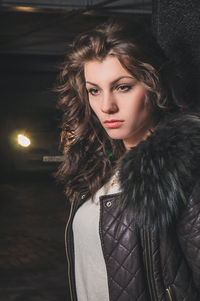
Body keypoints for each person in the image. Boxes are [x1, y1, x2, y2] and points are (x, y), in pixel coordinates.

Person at [56, 19, 200, 301]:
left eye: (123, 87)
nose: (106, 105)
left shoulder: (182, 171)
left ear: (153, 86)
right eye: (94, 90)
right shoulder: (98, 168)